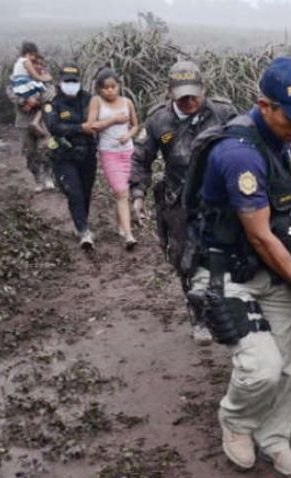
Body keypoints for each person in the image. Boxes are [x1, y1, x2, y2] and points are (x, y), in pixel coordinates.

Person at [185, 57, 291, 476]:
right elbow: (262, 235)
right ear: (265, 105)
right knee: (261, 368)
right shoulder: (238, 155)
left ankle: (275, 437)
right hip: (227, 272)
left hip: (269, 271)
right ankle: (236, 423)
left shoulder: (280, 141)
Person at [129, 60, 236, 344]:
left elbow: (244, 146)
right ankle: (198, 316)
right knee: (184, 259)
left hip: (220, 198)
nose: (189, 101)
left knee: (224, 254)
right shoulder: (158, 120)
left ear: (204, 89)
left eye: (194, 95)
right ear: (169, 93)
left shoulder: (223, 113)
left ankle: (226, 305)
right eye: (182, 96)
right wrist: (137, 194)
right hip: (179, 199)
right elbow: (141, 158)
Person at [44, 63, 98, 250]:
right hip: (64, 155)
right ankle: (83, 231)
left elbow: (99, 119)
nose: (71, 84)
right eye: (67, 81)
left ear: (79, 81)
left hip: (88, 154)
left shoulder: (89, 99)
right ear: (60, 82)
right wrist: (80, 128)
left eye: (74, 81)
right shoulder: (54, 104)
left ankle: (81, 222)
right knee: (74, 192)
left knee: (85, 192)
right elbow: (54, 127)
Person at [87, 68, 139, 250]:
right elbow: (91, 125)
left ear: (119, 86)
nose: (109, 90)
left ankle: (120, 225)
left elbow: (135, 125)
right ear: (99, 89)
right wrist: (113, 120)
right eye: (105, 87)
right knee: (121, 191)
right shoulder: (97, 102)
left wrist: (128, 135)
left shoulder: (127, 102)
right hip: (109, 153)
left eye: (113, 86)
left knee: (124, 192)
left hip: (128, 152)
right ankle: (129, 236)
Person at [6, 43, 55, 193]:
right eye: (35, 63)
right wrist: (24, 101)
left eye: (41, 64)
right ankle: (37, 178)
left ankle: (48, 176)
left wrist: (37, 100)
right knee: (29, 152)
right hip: (24, 121)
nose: (38, 66)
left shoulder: (45, 81)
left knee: (48, 148)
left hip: (45, 122)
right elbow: (11, 93)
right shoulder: (16, 78)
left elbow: (51, 95)